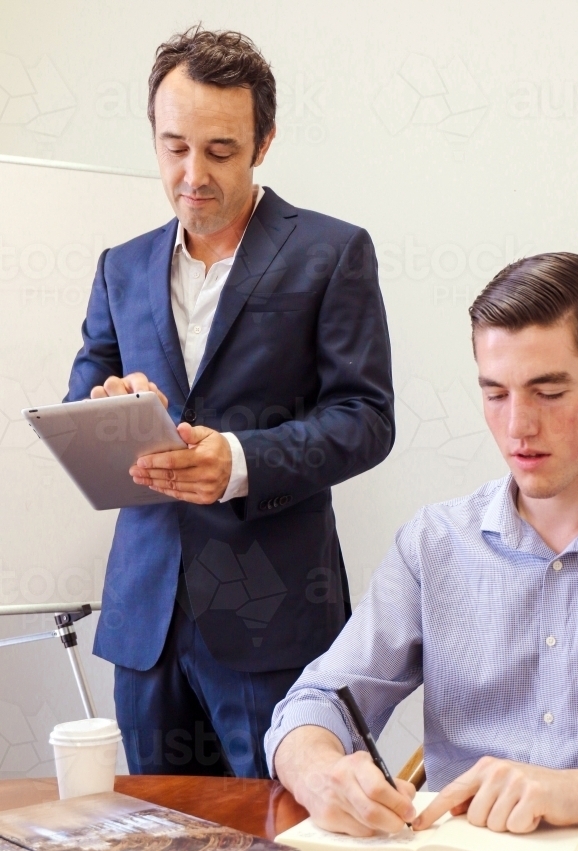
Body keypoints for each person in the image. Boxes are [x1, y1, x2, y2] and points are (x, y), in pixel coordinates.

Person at [267, 251, 578, 851]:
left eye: (549, 391)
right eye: (495, 393)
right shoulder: (435, 543)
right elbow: (313, 702)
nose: (518, 427)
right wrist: (321, 771)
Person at [65, 28, 394, 779]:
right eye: (174, 146)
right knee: (156, 842)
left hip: (272, 617)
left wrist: (240, 462)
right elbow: (79, 402)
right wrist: (111, 408)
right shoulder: (122, 265)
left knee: (279, 844)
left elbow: (367, 418)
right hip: (144, 618)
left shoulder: (330, 253)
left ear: (263, 142)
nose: (192, 175)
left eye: (219, 151)